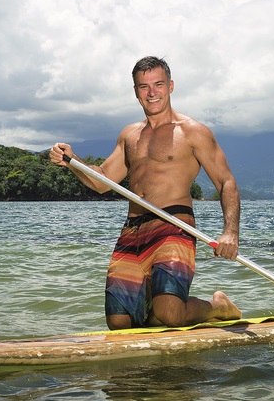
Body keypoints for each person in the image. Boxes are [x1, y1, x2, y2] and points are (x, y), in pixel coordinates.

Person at [49, 56, 242, 330]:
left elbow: (226, 182)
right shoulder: (129, 135)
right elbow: (102, 181)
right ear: (136, 91)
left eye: (158, 84)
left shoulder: (192, 132)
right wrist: (73, 161)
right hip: (133, 231)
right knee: (119, 323)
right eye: (143, 86)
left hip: (174, 227)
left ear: (171, 86)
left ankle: (219, 306)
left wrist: (230, 232)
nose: (152, 93)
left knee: (169, 314)